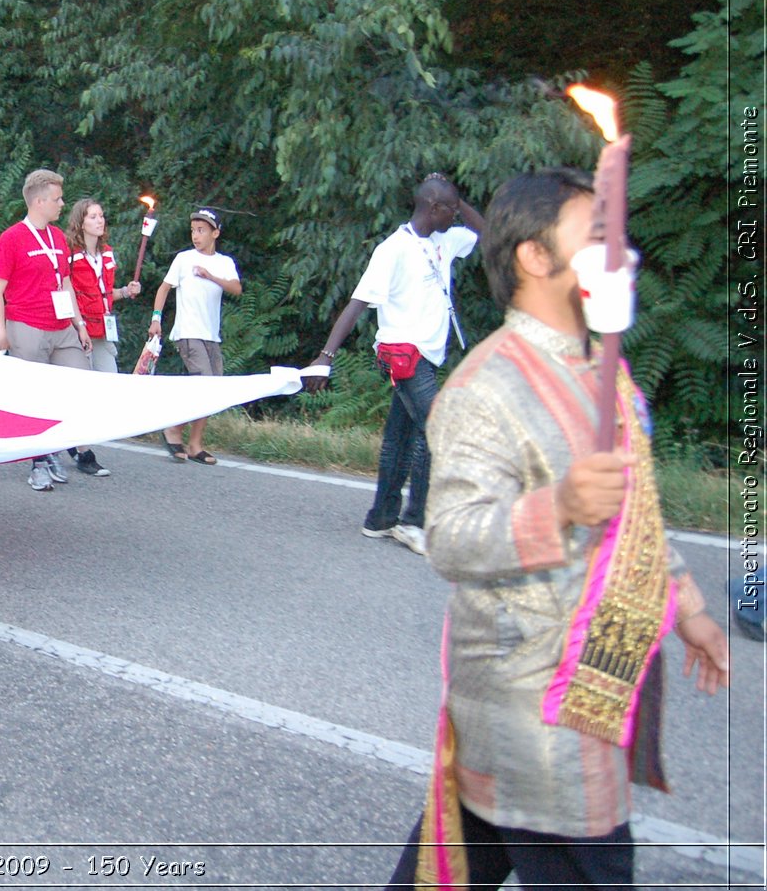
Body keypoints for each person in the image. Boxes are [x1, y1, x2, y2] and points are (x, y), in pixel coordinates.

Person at [385, 151, 730, 888]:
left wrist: (690, 609)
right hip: (535, 702)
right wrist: (559, 507)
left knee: (459, 857)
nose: (623, 254)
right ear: (535, 256)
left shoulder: (602, 368)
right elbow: (449, 538)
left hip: (590, 678)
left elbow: (633, 512)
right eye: (597, 235)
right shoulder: (488, 383)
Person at [303, 173, 484, 555]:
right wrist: (326, 356)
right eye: (450, 209)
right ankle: (413, 522)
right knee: (436, 429)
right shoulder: (392, 249)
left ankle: (381, 518)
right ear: (433, 209)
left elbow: (488, 234)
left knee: (401, 437)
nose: (456, 215)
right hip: (402, 355)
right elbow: (356, 304)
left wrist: (456, 194)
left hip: (426, 357)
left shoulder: (444, 241)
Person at [0, 168, 90, 491]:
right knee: (35, 398)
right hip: (26, 326)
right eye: (58, 199)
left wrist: (79, 323)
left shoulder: (58, 237)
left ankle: (53, 448)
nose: (62, 204)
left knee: (76, 387)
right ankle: (38, 461)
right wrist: (0, 331)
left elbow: (66, 282)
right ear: (40, 201)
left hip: (61, 327)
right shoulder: (12, 238)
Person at [147, 208, 242, 466]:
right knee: (206, 384)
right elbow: (164, 288)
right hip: (188, 332)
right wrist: (156, 318)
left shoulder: (224, 263)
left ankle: (194, 443)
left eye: (201, 231)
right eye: (193, 230)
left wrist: (210, 275)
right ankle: (173, 429)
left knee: (214, 391)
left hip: (211, 334)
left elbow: (236, 288)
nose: (195, 236)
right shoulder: (184, 259)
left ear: (215, 233)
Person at [62, 197, 142, 476]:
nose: (100, 220)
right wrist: (77, 324)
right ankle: (83, 452)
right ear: (80, 222)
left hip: (103, 328)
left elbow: (107, 294)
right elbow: (64, 291)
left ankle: (72, 438)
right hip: (78, 330)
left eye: (101, 215)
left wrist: (125, 291)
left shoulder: (107, 253)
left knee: (108, 387)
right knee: (81, 391)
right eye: (93, 216)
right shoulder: (69, 254)